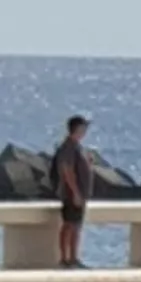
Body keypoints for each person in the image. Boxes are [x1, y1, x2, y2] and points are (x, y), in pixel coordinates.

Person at [52, 115, 93, 269]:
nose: (85, 131)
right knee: (69, 225)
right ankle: (66, 259)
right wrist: (75, 192)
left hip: (79, 193)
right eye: (83, 128)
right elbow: (67, 170)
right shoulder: (68, 147)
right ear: (77, 129)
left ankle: (73, 258)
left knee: (76, 225)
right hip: (71, 194)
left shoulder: (77, 147)